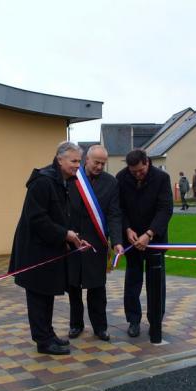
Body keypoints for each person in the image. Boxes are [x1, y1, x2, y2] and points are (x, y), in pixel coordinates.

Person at [9, 141, 88, 355]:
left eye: (79, 161)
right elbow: (37, 219)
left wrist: (73, 237)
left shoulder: (61, 181)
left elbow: (60, 216)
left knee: (47, 294)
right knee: (37, 296)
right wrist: (65, 234)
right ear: (59, 159)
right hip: (34, 253)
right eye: (73, 161)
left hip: (49, 250)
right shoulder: (43, 182)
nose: (77, 166)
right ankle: (43, 341)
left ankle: (48, 333)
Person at [67, 145, 124, 341]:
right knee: (73, 286)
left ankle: (100, 327)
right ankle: (76, 324)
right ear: (87, 160)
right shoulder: (72, 179)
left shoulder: (111, 183)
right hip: (73, 243)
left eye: (103, 163)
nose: (99, 166)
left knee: (97, 288)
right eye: (96, 162)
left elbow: (114, 214)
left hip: (97, 244)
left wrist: (116, 241)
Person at [116, 149, 173, 339]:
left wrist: (149, 233)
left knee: (156, 282)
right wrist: (127, 229)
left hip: (154, 239)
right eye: (133, 172)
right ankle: (133, 320)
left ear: (147, 162)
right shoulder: (121, 178)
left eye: (140, 171)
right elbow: (119, 209)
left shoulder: (162, 178)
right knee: (132, 281)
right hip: (132, 240)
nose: (137, 175)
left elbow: (165, 209)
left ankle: (156, 321)